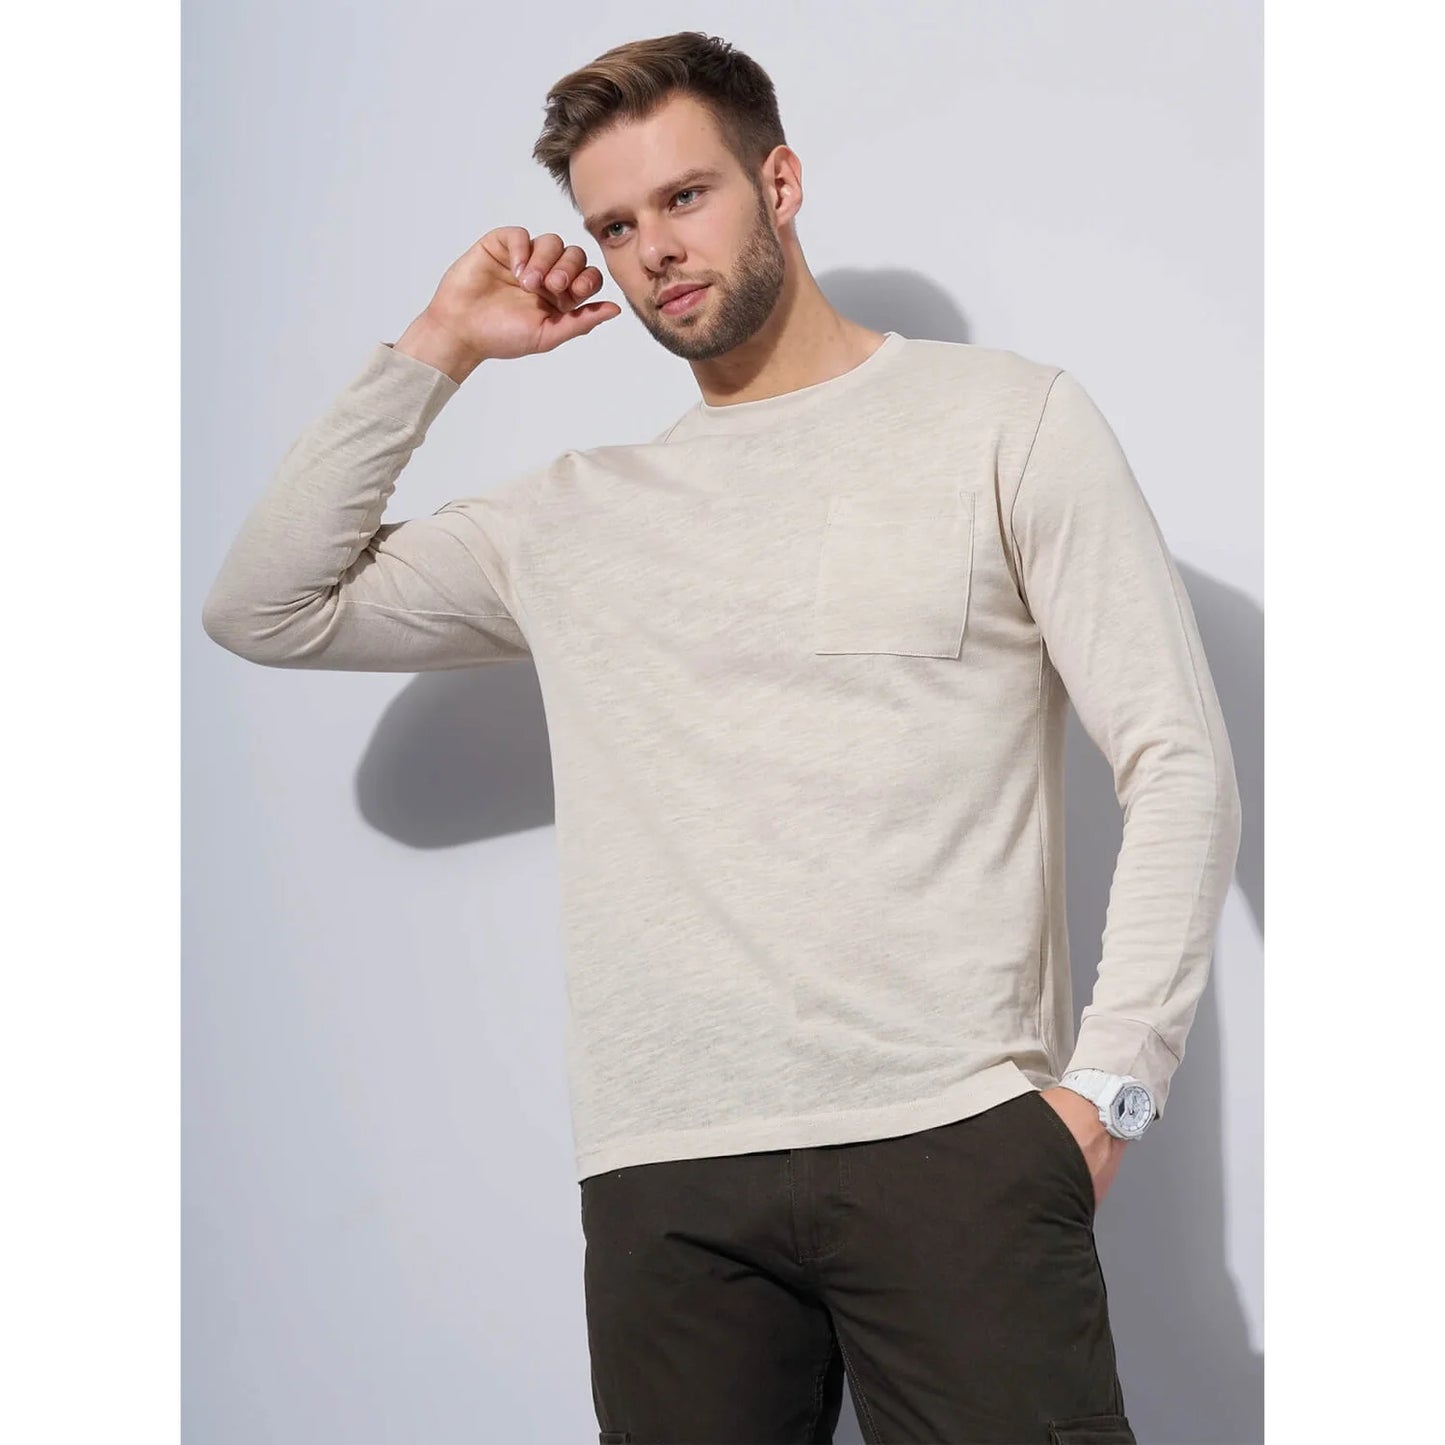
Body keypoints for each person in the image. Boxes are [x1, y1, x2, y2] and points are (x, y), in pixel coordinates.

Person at [202, 29, 1241, 1445]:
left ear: (780, 183)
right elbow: (266, 606)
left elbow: (1177, 758)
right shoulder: (573, 516)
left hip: (954, 1142)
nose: (653, 252)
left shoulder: (1005, 423)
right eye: (613, 227)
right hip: (668, 1182)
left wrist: (1109, 1089)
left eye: (683, 197)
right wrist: (439, 347)